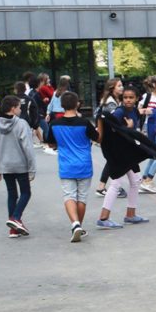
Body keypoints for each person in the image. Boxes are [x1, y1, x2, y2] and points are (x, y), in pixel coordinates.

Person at [94, 88, 151, 230]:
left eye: (131, 97)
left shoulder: (135, 112)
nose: (128, 100)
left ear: (136, 98)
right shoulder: (119, 112)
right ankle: (103, 217)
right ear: (122, 99)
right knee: (116, 183)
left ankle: (130, 215)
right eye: (125, 97)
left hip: (128, 151)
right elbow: (110, 127)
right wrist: (128, 128)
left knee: (135, 181)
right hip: (120, 153)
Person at [0, 96, 38, 237]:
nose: (21, 109)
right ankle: (15, 218)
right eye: (19, 107)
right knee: (26, 193)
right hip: (20, 165)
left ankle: (13, 229)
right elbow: (28, 147)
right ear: (12, 109)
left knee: (12, 194)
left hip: (4, 166)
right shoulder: (21, 124)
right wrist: (32, 168)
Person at [48, 92, 93, 242]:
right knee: (82, 197)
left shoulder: (54, 124)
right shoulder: (84, 123)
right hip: (84, 163)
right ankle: (78, 225)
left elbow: (50, 143)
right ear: (77, 104)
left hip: (66, 164)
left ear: (61, 105)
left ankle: (75, 224)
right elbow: (97, 136)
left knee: (69, 195)